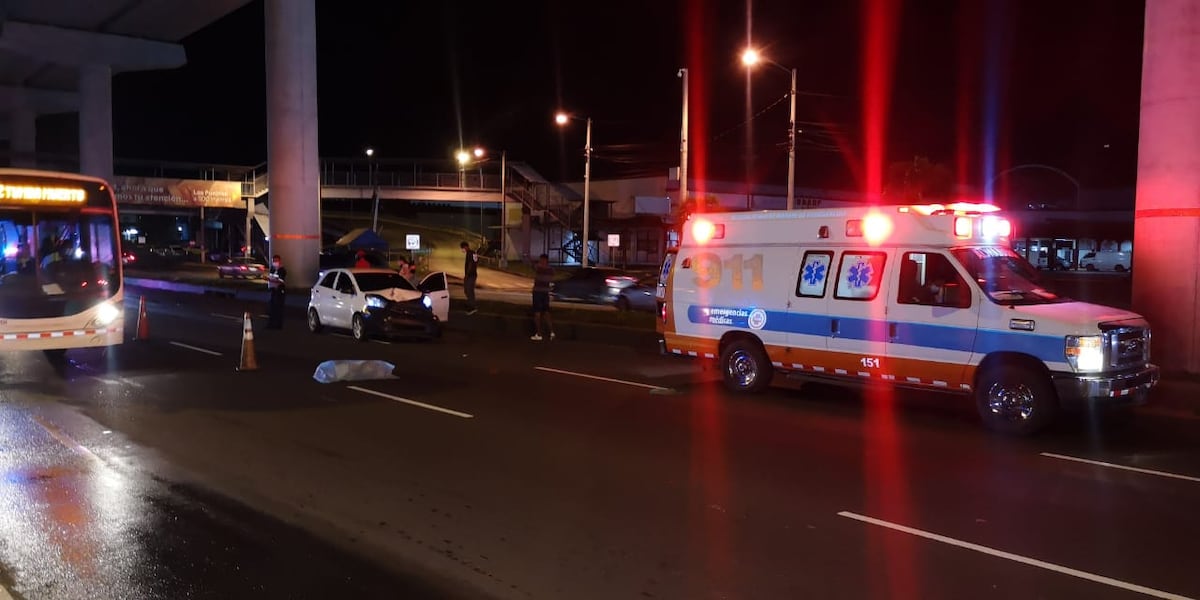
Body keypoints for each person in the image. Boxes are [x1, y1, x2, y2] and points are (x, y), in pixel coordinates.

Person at [530, 254, 555, 341]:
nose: (540, 261)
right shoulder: (551, 269)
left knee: (537, 313)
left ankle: (539, 333)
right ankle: (551, 332)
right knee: (547, 312)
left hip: (538, 292)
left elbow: (533, 265)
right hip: (545, 292)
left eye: (541, 260)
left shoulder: (539, 268)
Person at [266, 254, 287, 329]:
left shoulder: (282, 270)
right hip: (273, 290)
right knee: (271, 308)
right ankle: (271, 324)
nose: (274, 262)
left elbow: (281, 281)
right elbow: (271, 277)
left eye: (276, 261)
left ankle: (278, 325)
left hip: (279, 290)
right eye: (273, 261)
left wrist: (270, 280)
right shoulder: (272, 268)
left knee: (278, 308)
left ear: (279, 261)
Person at [460, 241, 478, 315]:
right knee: (467, 290)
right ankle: (470, 303)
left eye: (462, 248)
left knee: (469, 291)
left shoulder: (470, 253)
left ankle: (472, 307)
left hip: (471, 275)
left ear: (466, 247)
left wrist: (467, 275)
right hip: (471, 275)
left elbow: (471, 264)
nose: (462, 250)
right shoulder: (472, 253)